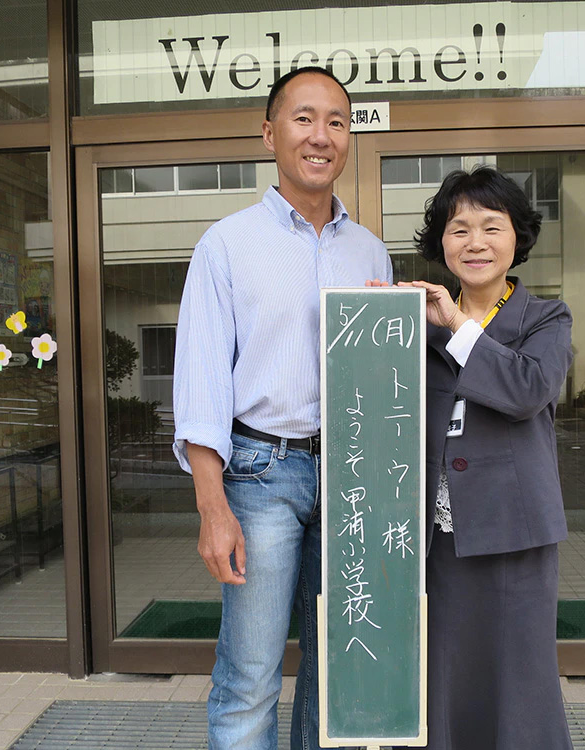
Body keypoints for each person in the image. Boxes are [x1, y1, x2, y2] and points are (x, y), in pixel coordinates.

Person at [173, 67, 393, 750]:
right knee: (250, 678)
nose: (320, 135)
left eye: (336, 120)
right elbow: (201, 383)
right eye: (303, 118)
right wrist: (213, 507)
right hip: (260, 475)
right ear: (270, 133)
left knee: (345, 677)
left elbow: (385, 384)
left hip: (354, 478)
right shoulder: (226, 245)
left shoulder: (371, 252)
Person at [399, 166, 574, 749]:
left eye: (491, 227)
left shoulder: (546, 319)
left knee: (520, 681)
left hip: (515, 531)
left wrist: (456, 325)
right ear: (441, 242)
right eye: (459, 228)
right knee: (444, 674)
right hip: (438, 534)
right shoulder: (414, 325)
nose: (475, 242)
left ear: (516, 237)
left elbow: (527, 391)